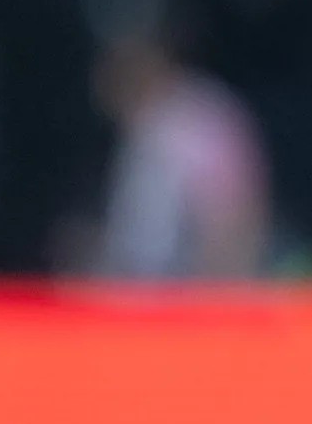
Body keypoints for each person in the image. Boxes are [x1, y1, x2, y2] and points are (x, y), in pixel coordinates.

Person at [90, 28, 269, 280]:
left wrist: (209, 302)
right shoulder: (144, 124)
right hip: (140, 301)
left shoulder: (199, 119)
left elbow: (237, 224)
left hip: (192, 302)